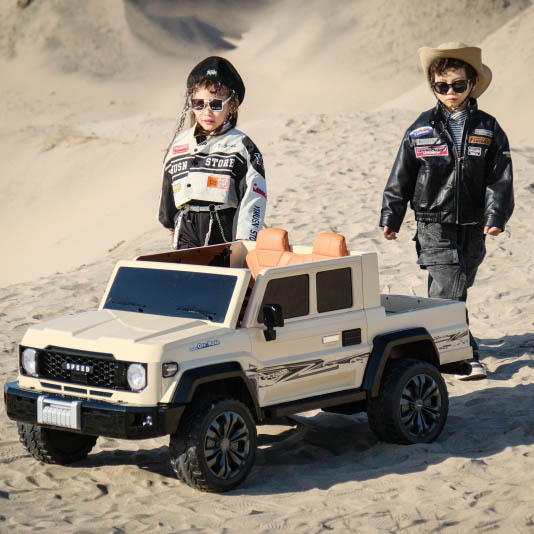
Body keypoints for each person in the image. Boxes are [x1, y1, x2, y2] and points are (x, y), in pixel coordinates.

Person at [379, 42, 514, 379]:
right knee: (451, 286)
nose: (450, 92)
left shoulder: (488, 128)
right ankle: (462, 355)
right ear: (433, 86)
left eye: (458, 84)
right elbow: (401, 176)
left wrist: (496, 216)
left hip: (474, 223)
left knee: (456, 283)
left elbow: (500, 178)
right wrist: (391, 216)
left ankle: (429, 338)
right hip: (432, 221)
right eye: (441, 86)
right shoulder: (420, 128)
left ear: (473, 83)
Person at [159, 56, 267, 249]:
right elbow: (167, 186)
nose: (206, 112)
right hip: (185, 227)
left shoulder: (241, 146)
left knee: (219, 269)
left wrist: (246, 239)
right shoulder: (179, 143)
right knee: (185, 269)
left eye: (216, 104)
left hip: (222, 227)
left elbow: (254, 195)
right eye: (199, 104)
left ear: (232, 105)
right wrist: (169, 225)